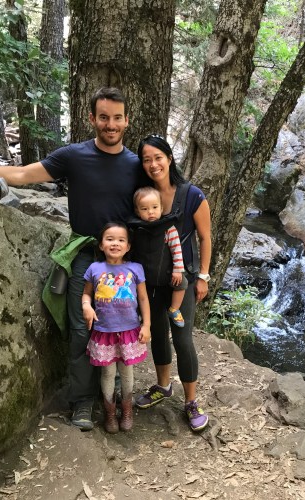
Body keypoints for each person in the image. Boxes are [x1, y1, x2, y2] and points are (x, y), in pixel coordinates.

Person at [0, 87, 148, 431]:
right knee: (81, 328)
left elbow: (163, 196)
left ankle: (118, 391)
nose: (111, 124)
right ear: (92, 118)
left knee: (122, 326)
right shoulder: (74, 156)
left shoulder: (136, 165)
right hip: (84, 256)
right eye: (104, 117)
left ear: (127, 121)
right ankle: (83, 400)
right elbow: (23, 174)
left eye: (117, 118)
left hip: (122, 264)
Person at [133, 134, 211, 432]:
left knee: (182, 338)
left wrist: (203, 276)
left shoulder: (192, 195)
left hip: (183, 280)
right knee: (157, 333)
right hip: (152, 281)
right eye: (147, 160)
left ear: (169, 158)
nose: (153, 164)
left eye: (158, 158)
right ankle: (163, 386)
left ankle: (191, 401)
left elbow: (205, 237)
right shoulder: (143, 195)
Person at [82, 222, 150, 433]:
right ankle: (110, 412)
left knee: (127, 372)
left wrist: (146, 325)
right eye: (109, 239)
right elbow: (86, 294)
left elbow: (143, 298)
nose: (115, 244)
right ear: (101, 245)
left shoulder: (135, 268)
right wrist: (86, 306)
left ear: (128, 246)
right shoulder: (94, 269)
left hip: (129, 331)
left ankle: (127, 409)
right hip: (104, 332)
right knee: (108, 373)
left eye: (121, 240)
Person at [132, 186, 187, 328]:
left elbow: (176, 250)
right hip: (144, 275)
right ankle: (138, 314)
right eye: (144, 209)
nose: (150, 212)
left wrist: (178, 270)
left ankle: (174, 309)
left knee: (182, 283)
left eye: (154, 207)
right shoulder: (136, 229)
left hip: (166, 272)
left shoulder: (168, 228)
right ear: (137, 211)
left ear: (162, 208)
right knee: (138, 291)